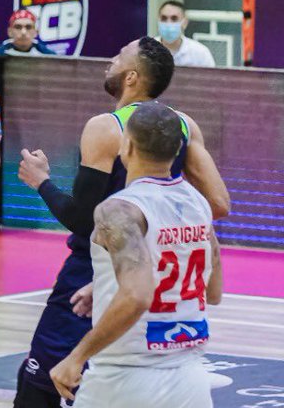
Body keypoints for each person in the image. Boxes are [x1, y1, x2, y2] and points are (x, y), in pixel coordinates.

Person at [13, 37, 229, 407]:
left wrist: (42, 182)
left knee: (41, 384)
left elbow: (83, 221)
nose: (110, 60)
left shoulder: (106, 127)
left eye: (118, 56)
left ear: (131, 77)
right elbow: (219, 205)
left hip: (94, 267)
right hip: (157, 268)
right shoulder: (181, 125)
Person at [50, 101, 222, 408]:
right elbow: (212, 290)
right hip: (191, 380)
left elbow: (137, 295)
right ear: (178, 148)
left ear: (126, 146)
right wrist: (106, 283)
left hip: (124, 380)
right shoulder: (198, 203)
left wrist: (76, 357)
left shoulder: (118, 209)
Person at [156, 0, 216, 68]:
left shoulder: (200, 53)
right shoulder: (146, 50)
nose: (168, 23)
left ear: (185, 23)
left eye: (174, 19)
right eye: (164, 18)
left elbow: (211, 74)